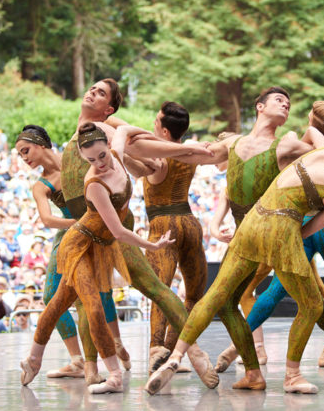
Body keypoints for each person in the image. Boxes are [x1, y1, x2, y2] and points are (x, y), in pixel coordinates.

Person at [145, 133, 324, 396]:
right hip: (283, 230)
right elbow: (312, 226)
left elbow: (312, 132)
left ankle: (176, 356)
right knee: (313, 305)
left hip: (252, 222)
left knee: (216, 296)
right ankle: (292, 375)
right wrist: (288, 244)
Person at [58, 78, 216, 386]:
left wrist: (180, 149)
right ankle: (94, 369)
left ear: (109, 108)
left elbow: (142, 150)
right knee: (83, 298)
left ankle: (181, 352)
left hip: (127, 224)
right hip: (98, 226)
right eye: (92, 88)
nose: (92, 92)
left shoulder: (106, 129)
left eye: (100, 92)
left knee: (154, 288)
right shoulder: (92, 132)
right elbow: (142, 159)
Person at [20, 123, 175, 394]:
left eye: (101, 156)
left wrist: (171, 148)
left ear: (108, 148)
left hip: (100, 244)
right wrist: (150, 245)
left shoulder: (113, 153)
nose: (99, 163)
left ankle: (34, 358)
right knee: (89, 306)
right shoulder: (91, 183)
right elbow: (117, 230)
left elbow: (125, 130)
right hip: (77, 244)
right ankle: (112, 373)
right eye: (91, 160)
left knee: (57, 303)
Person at [236, 101, 324, 368]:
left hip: (300, 227)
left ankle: (236, 347)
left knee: (275, 290)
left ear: (312, 123)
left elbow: (301, 136)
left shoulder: (304, 149)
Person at [16, 124, 121, 380]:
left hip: (102, 228)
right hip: (70, 236)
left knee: (101, 292)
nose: (24, 158)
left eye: (26, 150)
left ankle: (116, 348)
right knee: (53, 295)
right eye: (20, 155)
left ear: (41, 144)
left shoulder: (78, 156)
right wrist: (81, 224)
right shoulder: (40, 185)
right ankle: (78, 360)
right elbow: (47, 220)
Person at [124, 102, 209, 375]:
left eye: (154, 122)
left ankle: (156, 348)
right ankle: (175, 351)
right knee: (194, 295)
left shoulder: (157, 159)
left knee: (159, 290)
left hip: (164, 226)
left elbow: (130, 153)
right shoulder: (191, 152)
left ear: (162, 129)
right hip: (190, 223)